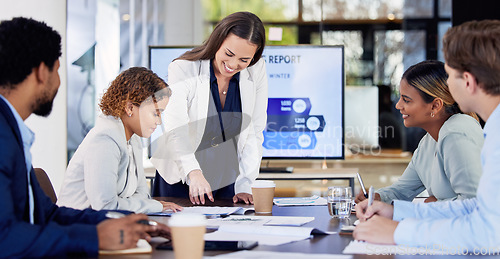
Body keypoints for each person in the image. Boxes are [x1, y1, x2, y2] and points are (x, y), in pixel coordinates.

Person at [0, 17, 171, 257]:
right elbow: (5, 238)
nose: (59, 82)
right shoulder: (3, 138)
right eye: (58, 70)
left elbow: (48, 214)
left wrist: (119, 223)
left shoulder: (12, 132)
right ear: (41, 72)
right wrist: (97, 236)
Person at [354, 20, 500, 250]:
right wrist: (397, 211)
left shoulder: (460, 130)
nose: (448, 84)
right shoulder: (487, 129)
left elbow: (488, 229)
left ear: (469, 82)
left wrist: (400, 230)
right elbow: (476, 209)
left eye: (450, 76)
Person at [150, 11, 267, 205]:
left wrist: (246, 184)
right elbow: (175, 129)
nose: (232, 64)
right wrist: (193, 173)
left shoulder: (257, 70)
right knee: (180, 233)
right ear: (217, 41)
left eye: (243, 60)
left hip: (228, 178)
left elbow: (254, 130)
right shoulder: (183, 68)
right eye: (229, 54)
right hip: (181, 174)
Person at [355, 60, 483, 204]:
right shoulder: (428, 141)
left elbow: (474, 203)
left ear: (435, 106)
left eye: (406, 100)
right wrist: (377, 197)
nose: (398, 105)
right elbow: (402, 190)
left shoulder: (456, 133)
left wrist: (434, 205)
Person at [57, 67, 182, 213]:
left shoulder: (133, 139)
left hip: (107, 224)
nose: (159, 122)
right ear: (130, 108)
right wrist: (153, 206)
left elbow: (142, 194)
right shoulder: (104, 140)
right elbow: (105, 206)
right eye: (155, 113)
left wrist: (143, 204)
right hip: (79, 227)